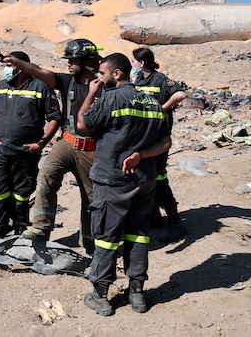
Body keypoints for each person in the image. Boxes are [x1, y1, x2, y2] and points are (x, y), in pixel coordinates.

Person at [77, 52, 171, 316]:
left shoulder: (111, 97)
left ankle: (101, 295)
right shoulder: (152, 103)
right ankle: (137, 293)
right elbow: (165, 143)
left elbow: (82, 123)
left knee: (106, 238)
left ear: (117, 73)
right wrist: (141, 155)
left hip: (113, 180)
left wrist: (90, 93)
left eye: (102, 74)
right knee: (139, 235)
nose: (99, 78)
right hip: (144, 180)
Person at [4, 38, 102, 253]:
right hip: (66, 143)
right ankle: (41, 228)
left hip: (92, 149)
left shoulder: (103, 88)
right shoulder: (67, 82)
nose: (68, 64)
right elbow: (38, 70)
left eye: (72, 60)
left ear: (85, 61)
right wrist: (14, 61)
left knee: (91, 198)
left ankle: (90, 244)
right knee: (46, 175)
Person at [0, 51, 62, 237]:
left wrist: (41, 144)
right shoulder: (1, 86)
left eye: (10, 66)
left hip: (25, 152)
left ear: (22, 67)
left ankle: (20, 231)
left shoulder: (40, 87)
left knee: (21, 193)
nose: (6, 70)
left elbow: (55, 118)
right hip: (0, 150)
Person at [132, 47, 189, 243]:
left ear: (141, 63)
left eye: (134, 62)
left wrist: (161, 109)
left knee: (159, 178)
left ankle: (175, 222)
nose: (132, 65)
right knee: (146, 179)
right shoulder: (138, 81)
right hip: (142, 137)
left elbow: (180, 95)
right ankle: (154, 219)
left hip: (158, 139)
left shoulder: (161, 79)